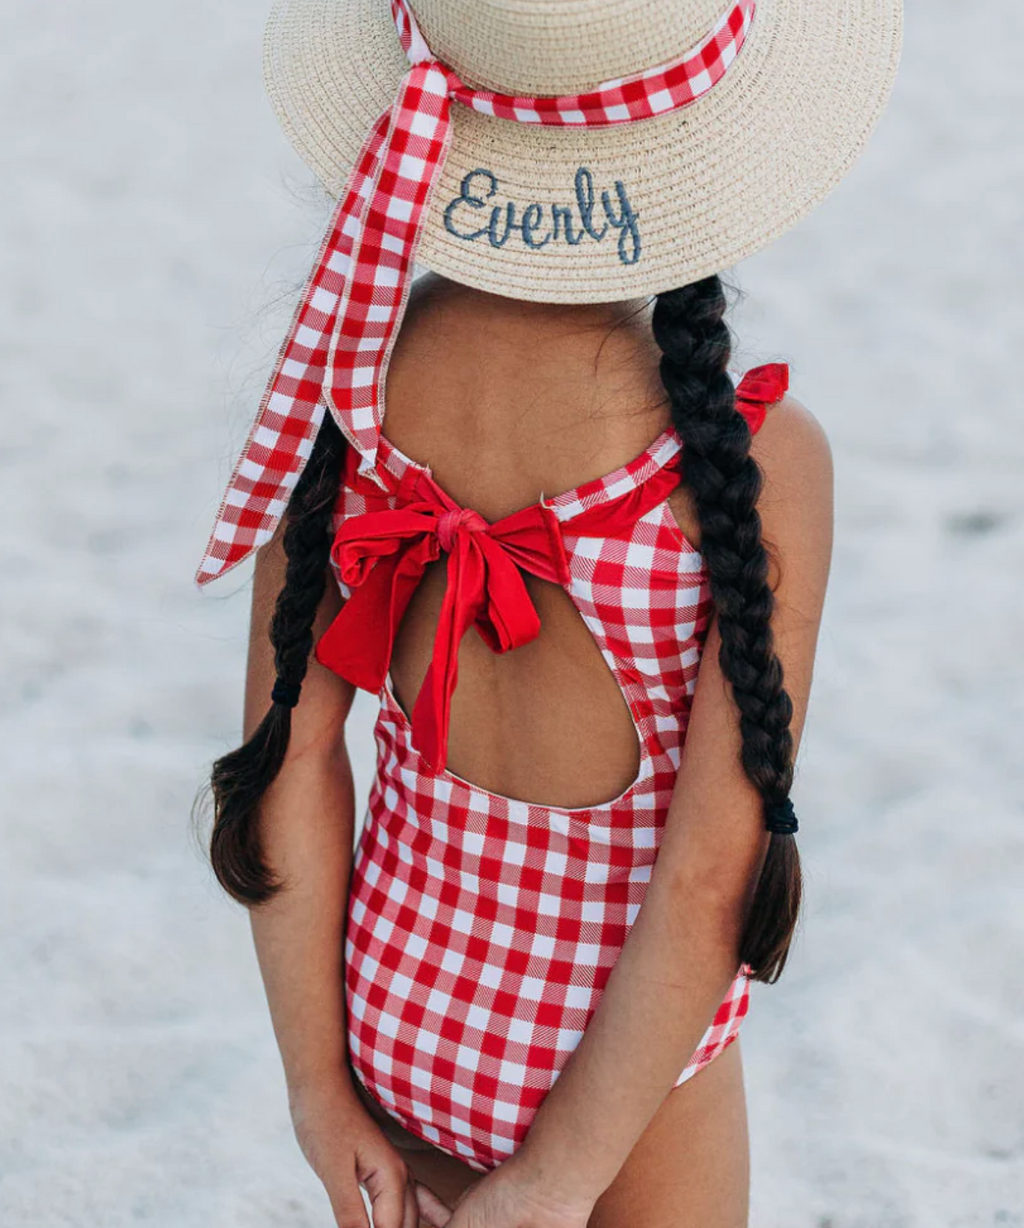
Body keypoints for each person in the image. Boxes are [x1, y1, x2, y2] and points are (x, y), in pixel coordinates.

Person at [194, 0, 902, 1224]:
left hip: (396, 1016)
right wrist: (557, 1177)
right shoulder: (751, 461)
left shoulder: (354, 383)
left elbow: (287, 758)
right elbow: (703, 881)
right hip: (621, 1070)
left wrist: (317, 1090)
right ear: (701, 141)